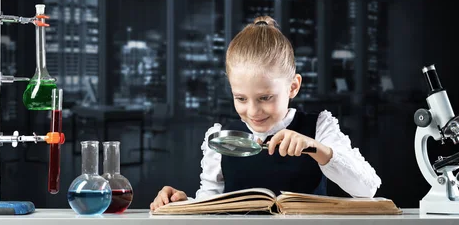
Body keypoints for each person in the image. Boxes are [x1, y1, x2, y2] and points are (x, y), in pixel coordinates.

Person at [150, 16, 382, 211]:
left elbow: (366, 188)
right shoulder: (221, 137)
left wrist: (315, 148)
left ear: (293, 86)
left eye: (265, 98)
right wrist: (181, 204)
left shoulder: (319, 127)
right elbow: (209, 206)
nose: (252, 111)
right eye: (240, 98)